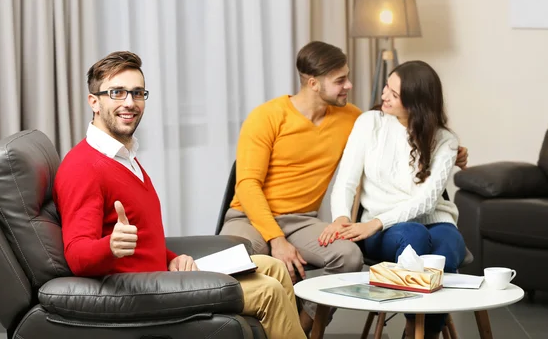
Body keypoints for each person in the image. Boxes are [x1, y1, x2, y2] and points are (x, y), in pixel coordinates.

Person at [53, 51, 306, 339]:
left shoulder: (123, 155)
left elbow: (144, 239)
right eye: (117, 92)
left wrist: (172, 257)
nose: (129, 103)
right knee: (267, 291)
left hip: (162, 274)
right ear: (94, 102)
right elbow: (76, 256)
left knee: (272, 267)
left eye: (137, 93)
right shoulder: (83, 167)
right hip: (141, 290)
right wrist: (110, 245)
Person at [220, 41, 469, 332]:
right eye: (340, 80)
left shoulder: (350, 118)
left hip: (303, 221)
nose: (349, 85)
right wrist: (277, 240)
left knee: (349, 256)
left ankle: (301, 329)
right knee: (230, 262)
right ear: (313, 83)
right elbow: (248, 184)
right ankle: (239, 330)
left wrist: (452, 150)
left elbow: (402, 133)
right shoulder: (266, 116)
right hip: (250, 216)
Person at [322, 60, 466, 339]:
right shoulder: (370, 123)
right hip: (385, 228)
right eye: (387, 86)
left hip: (423, 220)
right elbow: (346, 181)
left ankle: (419, 330)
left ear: (416, 104)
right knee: (413, 236)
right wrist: (342, 217)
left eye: (394, 93)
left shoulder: (445, 140)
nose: (384, 95)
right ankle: (420, 329)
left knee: (449, 244)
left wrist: (376, 222)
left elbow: (426, 201)